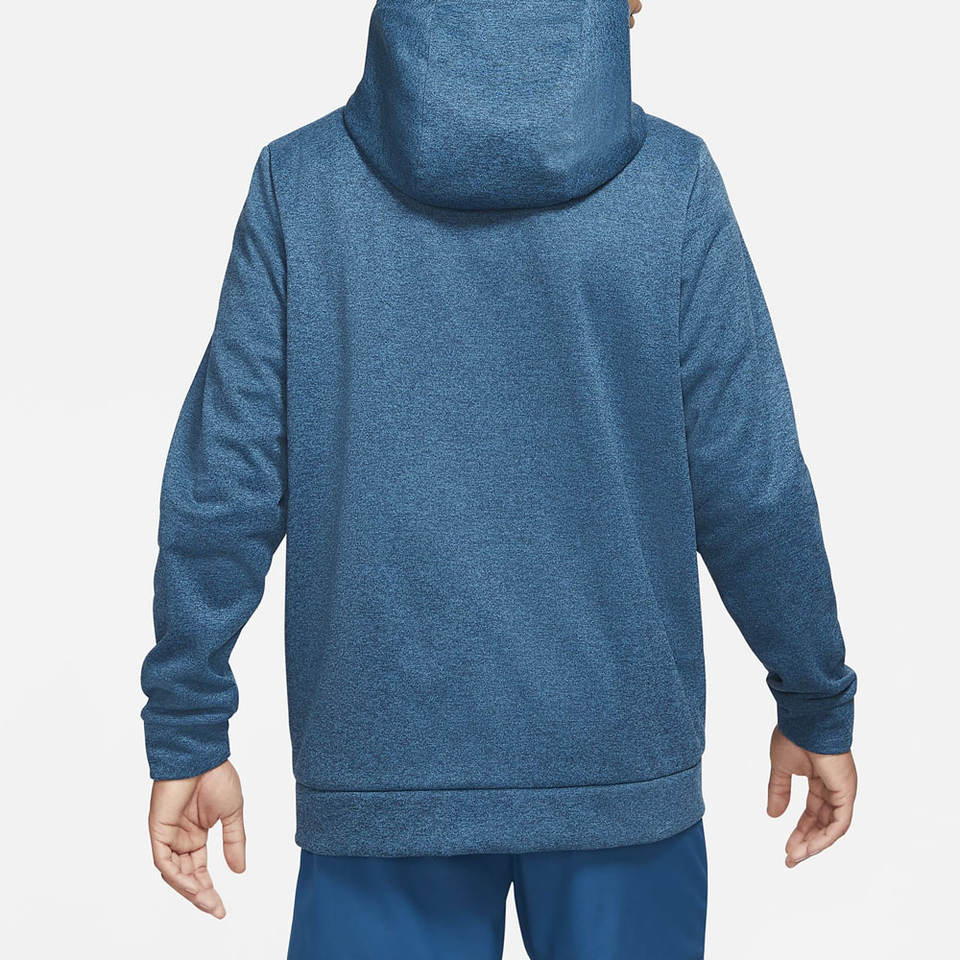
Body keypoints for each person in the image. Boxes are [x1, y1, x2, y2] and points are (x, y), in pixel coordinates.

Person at [142, 1, 857, 956]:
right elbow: (752, 485)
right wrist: (813, 697)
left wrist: (188, 725)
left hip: (384, 766)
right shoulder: (671, 185)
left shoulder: (303, 185)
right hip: (617, 764)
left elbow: (224, 486)